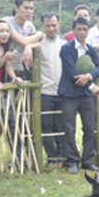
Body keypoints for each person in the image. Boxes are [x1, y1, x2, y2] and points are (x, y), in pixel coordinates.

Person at [58, 16, 99, 174]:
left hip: (85, 95)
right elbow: (72, 71)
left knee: (89, 128)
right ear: (73, 30)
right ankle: (72, 161)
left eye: (85, 29)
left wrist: (89, 77)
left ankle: (88, 161)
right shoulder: (66, 49)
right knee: (69, 128)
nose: (82, 32)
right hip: (69, 95)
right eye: (79, 29)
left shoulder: (91, 50)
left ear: (88, 30)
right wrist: (91, 84)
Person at [39, 13, 66, 169]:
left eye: (54, 25)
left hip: (62, 92)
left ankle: (63, 157)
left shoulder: (64, 43)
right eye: (48, 25)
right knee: (46, 127)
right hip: (45, 92)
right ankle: (52, 158)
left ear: (59, 25)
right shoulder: (38, 42)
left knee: (62, 127)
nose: (51, 28)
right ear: (42, 25)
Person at [2, 0, 43, 80]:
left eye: (31, 8)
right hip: (8, 70)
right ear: (16, 8)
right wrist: (39, 34)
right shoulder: (7, 22)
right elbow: (23, 41)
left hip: (25, 70)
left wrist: (29, 46)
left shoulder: (30, 25)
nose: (29, 11)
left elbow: (39, 44)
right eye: (26, 8)